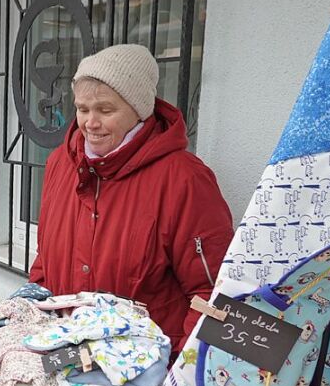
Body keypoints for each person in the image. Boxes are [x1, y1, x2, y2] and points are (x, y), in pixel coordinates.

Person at [30, 44, 233, 353]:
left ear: (139, 110)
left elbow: (212, 292)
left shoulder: (183, 179)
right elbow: (45, 261)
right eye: (82, 109)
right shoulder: (61, 163)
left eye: (105, 110)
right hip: (66, 356)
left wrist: (178, 374)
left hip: (145, 375)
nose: (90, 123)